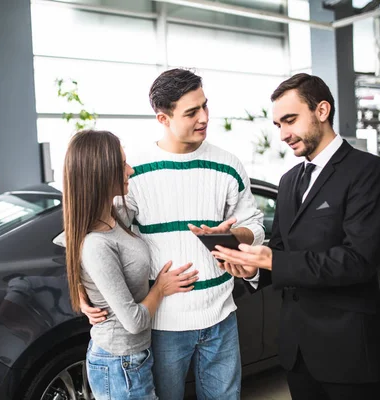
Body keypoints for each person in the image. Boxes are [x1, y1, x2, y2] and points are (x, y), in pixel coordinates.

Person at [212, 73, 380, 400]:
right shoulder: (289, 181)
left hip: (351, 353)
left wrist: (274, 259)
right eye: (278, 125)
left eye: (290, 120)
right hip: (298, 352)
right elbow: (282, 249)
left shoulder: (368, 172)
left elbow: (358, 261)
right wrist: (255, 268)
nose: (284, 134)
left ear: (322, 110)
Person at [81, 69, 265, 399]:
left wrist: (232, 234)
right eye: (192, 112)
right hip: (164, 324)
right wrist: (80, 293)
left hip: (222, 315)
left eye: (205, 106)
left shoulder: (229, 165)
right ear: (163, 117)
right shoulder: (133, 171)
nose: (204, 118)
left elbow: (255, 225)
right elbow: (91, 236)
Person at [63, 130, 199, 400]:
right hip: (119, 362)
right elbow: (134, 322)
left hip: (132, 359)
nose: (131, 169)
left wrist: (81, 287)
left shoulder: (115, 217)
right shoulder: (96, 244)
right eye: (123, 164)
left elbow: (66, 240)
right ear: (101, 174)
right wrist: (160, 288)